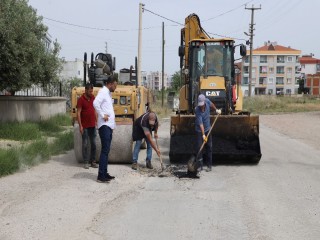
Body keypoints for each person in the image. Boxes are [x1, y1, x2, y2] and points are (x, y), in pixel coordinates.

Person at [93, 75, 117, 183]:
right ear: (110, 83)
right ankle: (100, 176)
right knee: (104, 150)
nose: (116, 87)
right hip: (104, 125)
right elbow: (95, 103)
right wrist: (103, 115)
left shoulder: (108, 93)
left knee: (106, 151)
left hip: (108, 126)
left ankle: (104, 173)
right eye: (115, 84)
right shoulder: (103, 92)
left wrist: (113, 126)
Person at [195, 94, 221, 172]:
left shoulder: (207, 101)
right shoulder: (197, 110)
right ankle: (200, 166)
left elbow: (212, 104)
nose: (201, 106)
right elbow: (200, 124)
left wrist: (216, 110)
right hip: (200, 131)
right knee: (200, 147)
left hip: (208, 128)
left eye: (202, 104)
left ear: (204, 102)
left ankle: (209, 165)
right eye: (200, 104)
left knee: (209, 147)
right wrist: (203, 135)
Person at [77, 83, 97, 169]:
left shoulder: (93, 97)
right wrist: (80, 126)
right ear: (85, 90)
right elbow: (78, 113)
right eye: (90, 91)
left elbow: (95, 110)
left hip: (93, 125)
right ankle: (86, 162)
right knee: (85, 144)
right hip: (84, 126)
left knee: (93, 144)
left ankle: (93, 161)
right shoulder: (81, 100)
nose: (91, 92)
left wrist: (97, 121)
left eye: (92, 91)